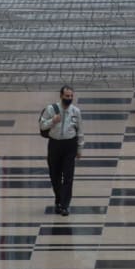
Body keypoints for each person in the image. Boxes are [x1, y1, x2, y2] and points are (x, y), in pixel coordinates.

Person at [40, 86, 84, 216]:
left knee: (68, 176)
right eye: (67, 96)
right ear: (61, 96)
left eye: (71, 96)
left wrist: (80, 148)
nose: (69, 99)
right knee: (55, 175)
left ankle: (65, 205)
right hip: (54, 145)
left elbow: (80, 131)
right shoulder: (50, 109)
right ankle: (58, 200)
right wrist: (52, 121)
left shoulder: (76, 111)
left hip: (69, 145)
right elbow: (42, 125)